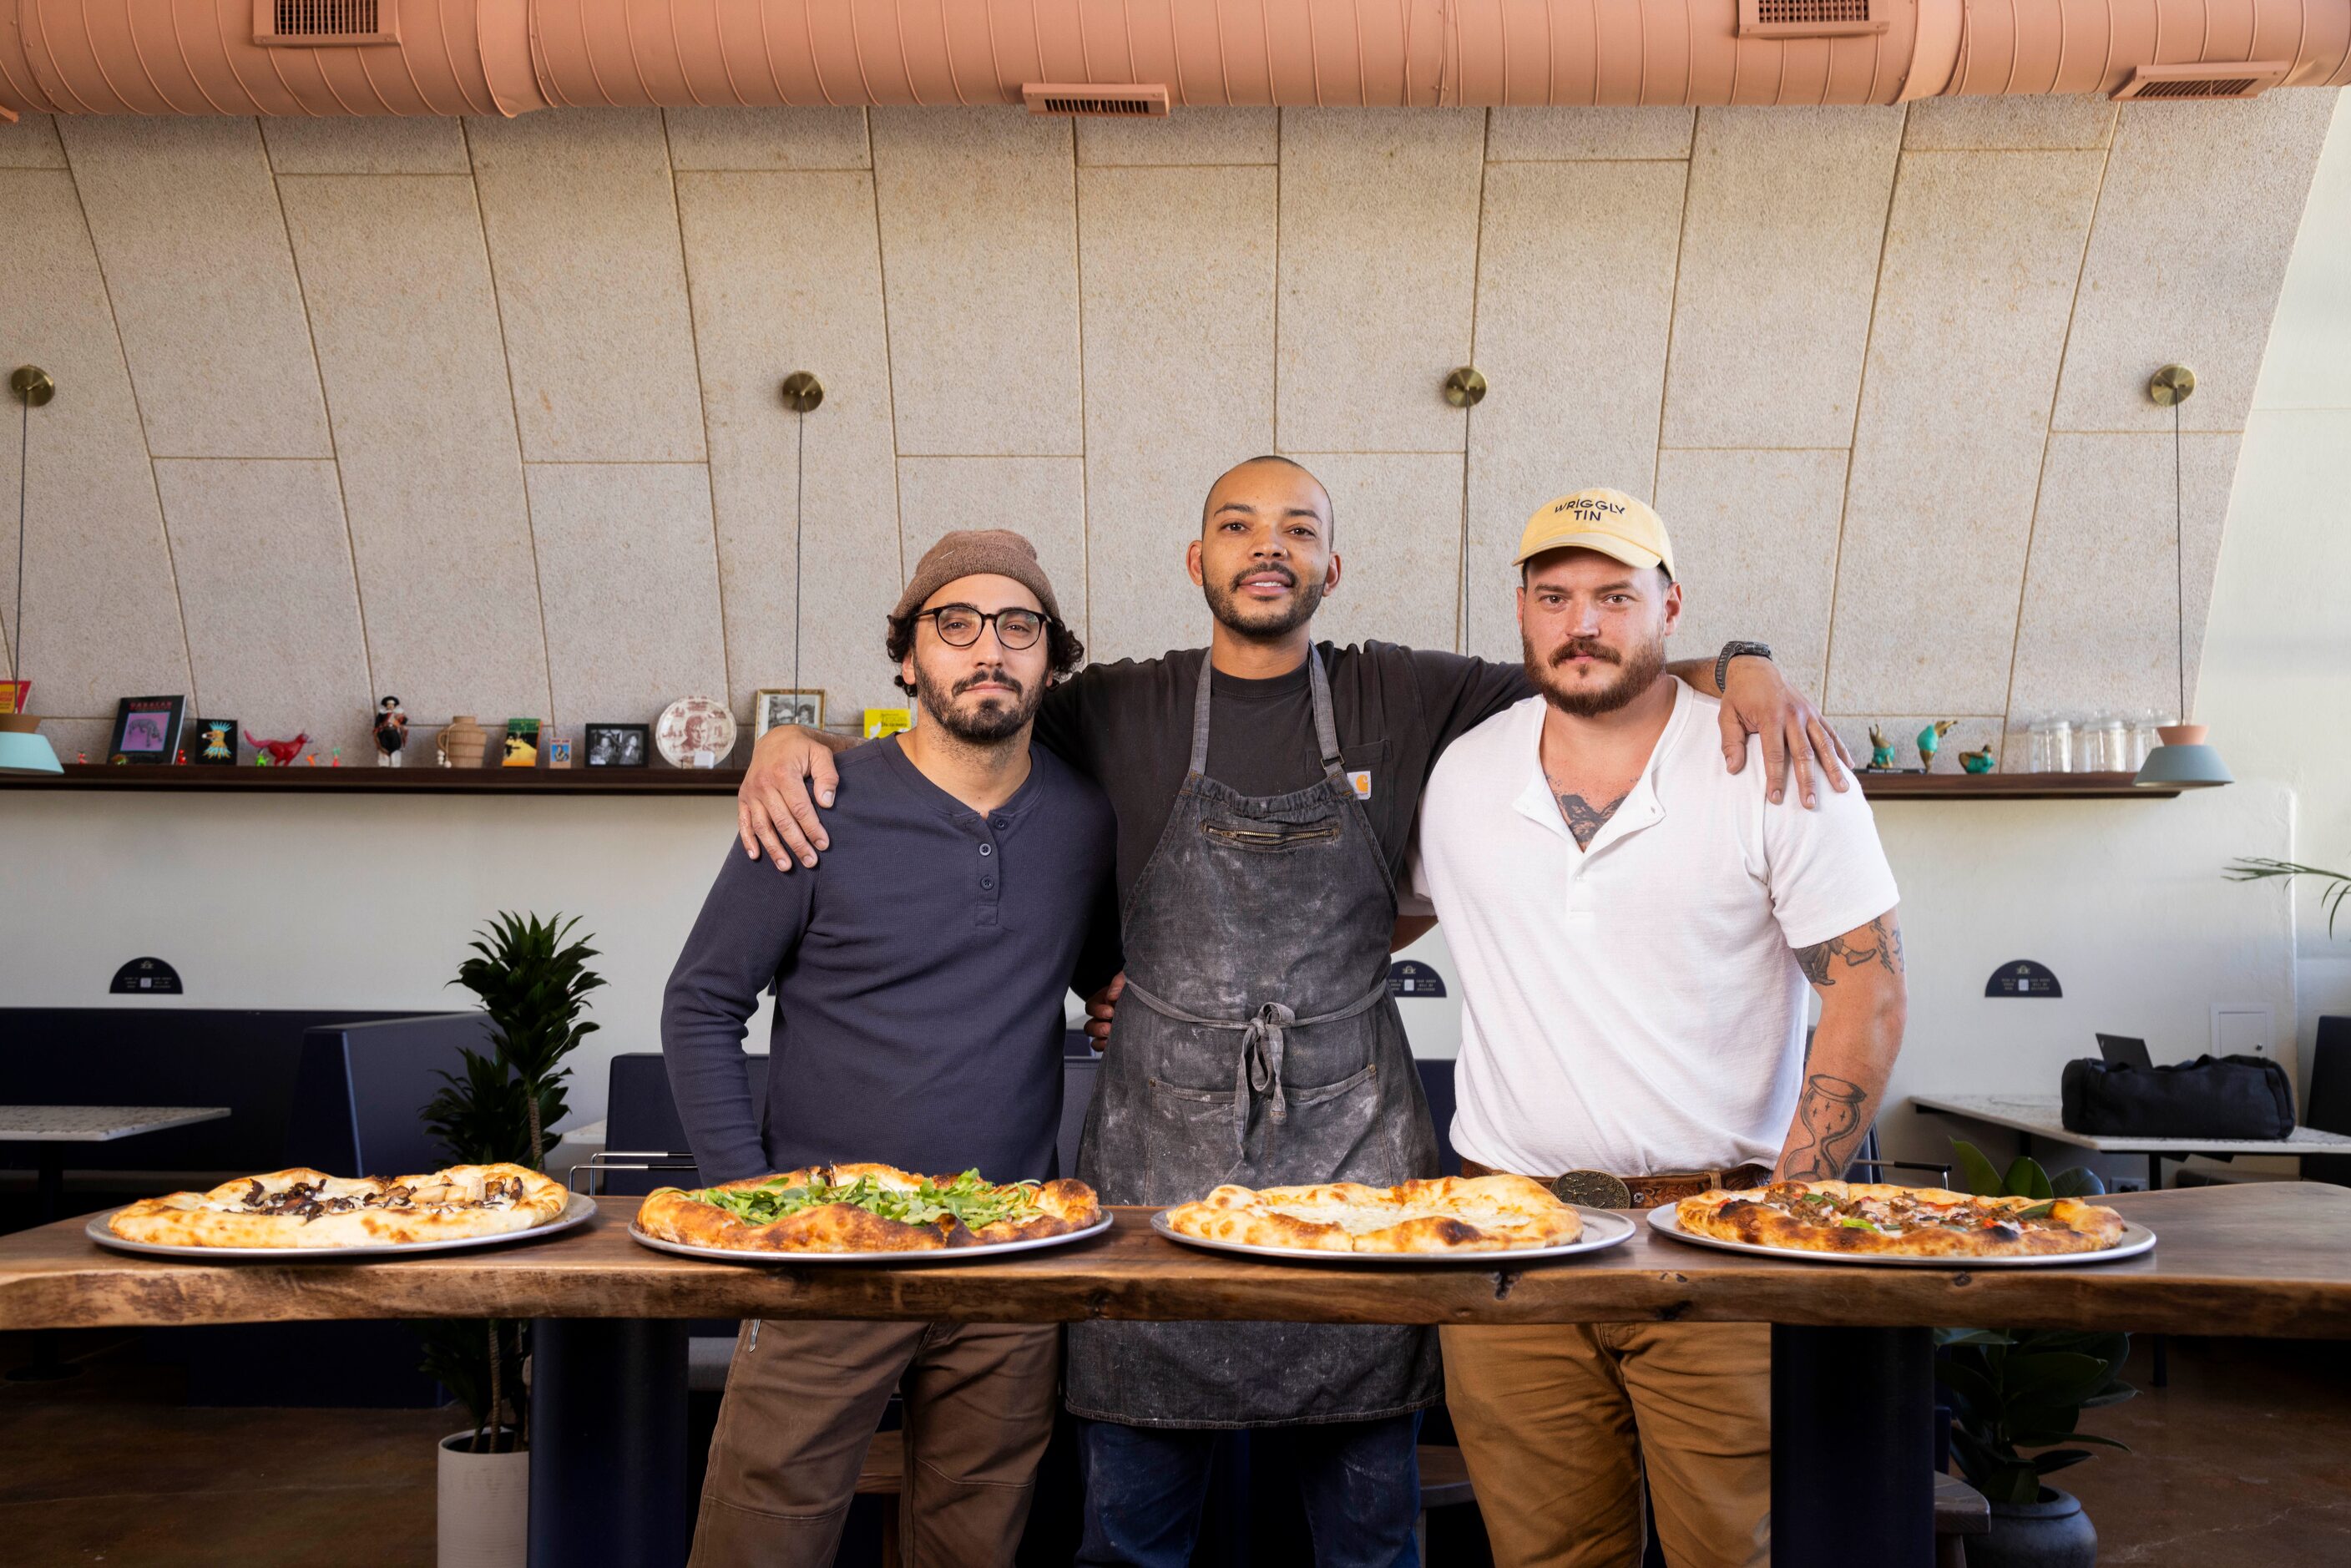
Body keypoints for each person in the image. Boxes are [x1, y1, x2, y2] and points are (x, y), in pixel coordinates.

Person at [734, 458, 1853, 1568]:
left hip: (1358, 1169)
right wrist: (802, 743)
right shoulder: (1118, 704)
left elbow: (1603, 662)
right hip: (1155, 1169)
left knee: (1370, 1538)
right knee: (1128, 1535)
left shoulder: (1408, 692)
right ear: (1197, 560)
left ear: (1332, 563)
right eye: (1237, 524)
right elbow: (963, 729)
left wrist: (1745, 667)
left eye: (1296, 527)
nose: (1268, 545)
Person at [1405, 489, 1908, 1568]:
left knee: (1743, 1552)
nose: (1582, 622)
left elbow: (1868, 992)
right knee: (1544, 1556)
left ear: (1670, 606)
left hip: (1716, 1239)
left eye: (1614, 594)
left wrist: (1786, 1214)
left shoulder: (1777, 762)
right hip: (1515, 1245)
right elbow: (1356, 927)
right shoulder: (1462, 775)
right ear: (1524, 611)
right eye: (1555, 595)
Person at [660, 529, 1119, 1568]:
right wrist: (750, 1211)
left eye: (1017, 627)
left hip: (1008, 1250)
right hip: (825, 1252)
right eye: (953, 626)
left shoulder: (1086, 820)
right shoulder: (815, 801)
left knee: (974, 1545)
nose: (987, 650)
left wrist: (1121, 997)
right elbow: (699, 1005)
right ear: (908, 657)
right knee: (758, 1541)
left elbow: (1104, 970)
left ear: (1052, 656)